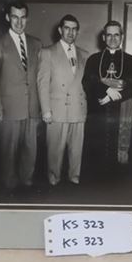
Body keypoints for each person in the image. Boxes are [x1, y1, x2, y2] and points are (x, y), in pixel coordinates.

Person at [0, 0, 42, 193]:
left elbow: (40, 78)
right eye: (14, 17)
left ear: (27, 19)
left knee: (30, 149)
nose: (19, 22)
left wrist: (41, 107)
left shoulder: (37, 44)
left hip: (32, 106)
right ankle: (9, 186)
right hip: (9, 107)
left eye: (22, 17)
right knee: (9, 150)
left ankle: (27, 182)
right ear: (7, 18)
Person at [82, 21, 132, 180]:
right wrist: (107, 91)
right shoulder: (93, 59)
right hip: (98, 111)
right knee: (96, 150)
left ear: (122, 37)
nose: (113, 38)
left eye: (116, 35)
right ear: (103, 37)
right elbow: (88, 81)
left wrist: (115, 96)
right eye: (109, 35)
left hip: (121, 111)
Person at [37, 15, 89, 186]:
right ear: (60, 30)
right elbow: (42, 84)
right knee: (54, 150)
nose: (70, 32)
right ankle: (54, 179)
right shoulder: (48, 52)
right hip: (57, 109)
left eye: (74, 29)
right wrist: (46, 110)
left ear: (78, 32)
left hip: (78, 109)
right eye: (67, 28)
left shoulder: (84, 54)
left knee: (76, 150)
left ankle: (75, 178)